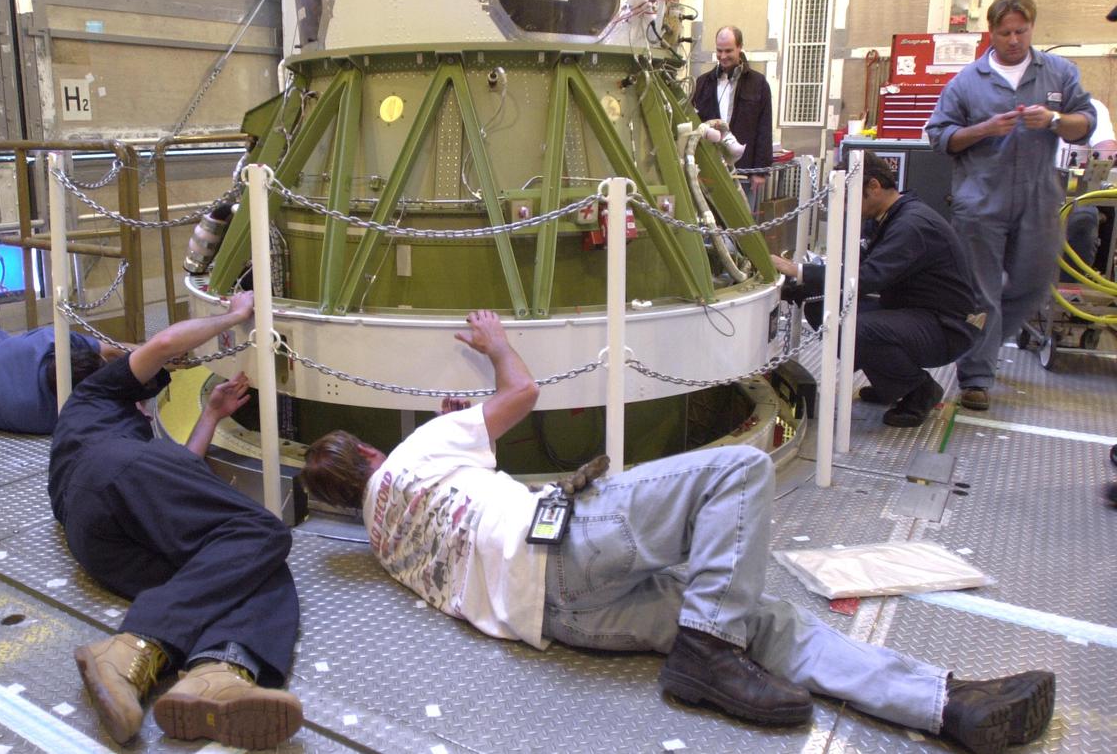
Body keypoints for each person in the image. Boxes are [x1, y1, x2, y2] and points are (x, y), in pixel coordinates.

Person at [300, 310, 1055, 754]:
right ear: (368, 450)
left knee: (757, 618)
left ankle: (943, 705)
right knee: (739, 474)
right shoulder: (416, 452)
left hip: (560, 622)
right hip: (560, 545)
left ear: (343, 497)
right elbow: (521, 391)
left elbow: (441, 513)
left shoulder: (380, 538)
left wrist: (446, 433)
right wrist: (496, 341)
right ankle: (707, 654)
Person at [49, 291, 302, 749]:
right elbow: (165, 343)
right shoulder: (97, 395)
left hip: (95, 543)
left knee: (252, 570)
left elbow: (177, 476)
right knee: (260, 531)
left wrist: (210, 416)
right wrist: (235, 314)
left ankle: (216, 673)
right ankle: (133, 641)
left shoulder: (106, 429)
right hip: (108, 474)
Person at [926, 0, 1095, 412]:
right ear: (991, 33)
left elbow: (1085, 124)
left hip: (1040, 198)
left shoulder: (1059, 73)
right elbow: (940, 137)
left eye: (1021, 31)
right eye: (1005, 32)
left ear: (1032, 29)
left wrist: (1055, 120)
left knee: (1035, 282)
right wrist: (983, 129)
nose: (1014, 39)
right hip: (981, 203)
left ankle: (989, 336)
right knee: (981, 294)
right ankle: (976, 377)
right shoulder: (966, 82)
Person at [771, 151, 983, 427]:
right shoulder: (889, 217)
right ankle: (892, 384)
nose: (846, 206)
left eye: (849, 196)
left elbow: (868, 277)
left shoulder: (911, 224)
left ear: (873, 186)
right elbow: (857, 271)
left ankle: (919, 391)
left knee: (851, 327)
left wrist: (799, 272)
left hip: (947, 327)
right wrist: (806, 284)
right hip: (916, 313)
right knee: (820, 304)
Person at [692, 26, 773, 209]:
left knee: (742, 228)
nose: (723, 56)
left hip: (744, 172)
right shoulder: (703, 83)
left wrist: (760, 171)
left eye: (728, 51)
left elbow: (764, 127)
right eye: (719, 51)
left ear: (740, 47)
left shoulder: (758, 84)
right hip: (710, 170)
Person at [1056, 98, 1117, 282]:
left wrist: (1105, 157)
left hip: (1072, 194)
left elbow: (1106, 149)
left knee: (1083, 217)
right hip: (1023, 191)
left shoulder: (1091, 107)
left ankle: (1070, 293)